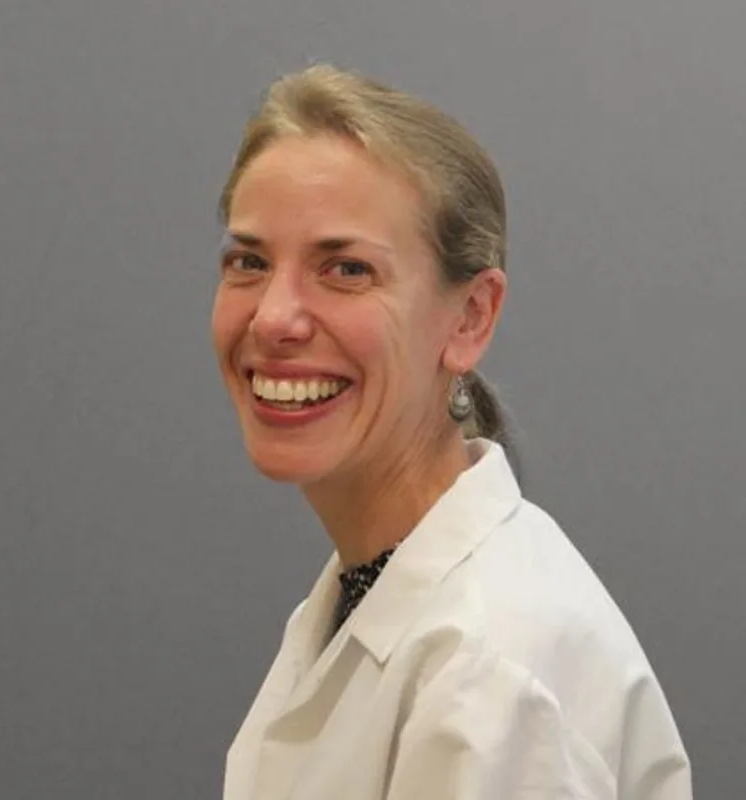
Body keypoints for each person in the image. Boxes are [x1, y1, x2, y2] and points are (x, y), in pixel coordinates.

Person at [211, 64, 692, 799]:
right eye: (249, 261)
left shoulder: (490, 674)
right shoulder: (367, 595)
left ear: (470, 318)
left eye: (344, 269)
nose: (273, 318)